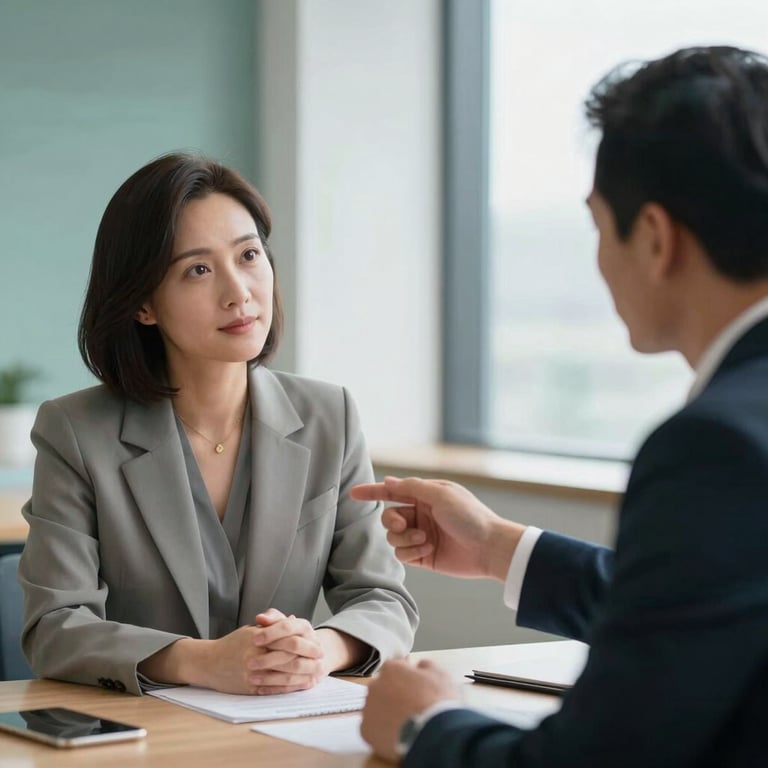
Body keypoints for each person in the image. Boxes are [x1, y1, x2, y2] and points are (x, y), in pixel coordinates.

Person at [352, 45, 768, 766]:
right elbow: (703, 612)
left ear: (656, 238)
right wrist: (497, 547)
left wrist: (424, 726)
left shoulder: (716, 444)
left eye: (599, 228)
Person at [18, 152, 417, 696]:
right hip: (145, 728)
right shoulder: (75, 431)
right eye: (198, 270)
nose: (239, 292)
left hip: (283, 722)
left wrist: (317, 652)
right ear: (143, 304)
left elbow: (384, 598)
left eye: (249, 255)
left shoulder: (331, 416)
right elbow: (54, 628)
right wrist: (202, 662)